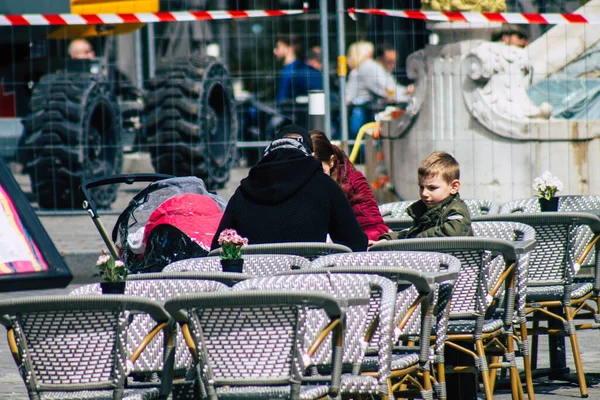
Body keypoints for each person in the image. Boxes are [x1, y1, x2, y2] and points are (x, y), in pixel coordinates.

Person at [210, 124, 368, 252]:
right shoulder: (325, 186)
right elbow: (355, 244)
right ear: (309, 154)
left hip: (255, 287)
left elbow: (218, 249)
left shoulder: (243, 192)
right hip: (310, 286)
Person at [310, 130, 389, 241]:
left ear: (331, 162)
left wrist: (357, 242)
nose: (316, 178)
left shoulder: (353, 182)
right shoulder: (300, 185)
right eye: (311, 172)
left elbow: (376, 227)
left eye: (321, 171)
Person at [376, 151, 472, 241]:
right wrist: (387, 239)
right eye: (422, 187)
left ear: (454, 187)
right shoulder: (426, 211)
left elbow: (454, 232)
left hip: (456, 258)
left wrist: (415, 239)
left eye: (432, 188)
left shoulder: (456, 209)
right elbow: (413, 234)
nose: (424, 193)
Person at [345, 41, 412, 138]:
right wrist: (407, 93)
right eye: (389, 62)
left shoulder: (380, 69)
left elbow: (391, 87)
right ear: (379, 59)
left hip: (365, 110)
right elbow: (387, 91)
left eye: (394, 62)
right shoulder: (371, 68)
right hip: (359, 112)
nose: (393, 66)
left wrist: (406, 90)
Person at [273, 35, 322, 103]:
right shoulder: (292, 69)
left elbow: (282, 98)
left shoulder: (297, 70)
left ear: (291, 48)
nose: (274, 51)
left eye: (278, 47)